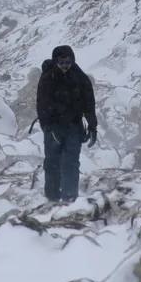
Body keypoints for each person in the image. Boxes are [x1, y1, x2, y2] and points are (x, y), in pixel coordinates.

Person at [36, 45, 97, 203]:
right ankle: (52, 198)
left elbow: (89, 104)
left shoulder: (80, 78)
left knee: (71, 163)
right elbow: (42, 106)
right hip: (54, 127)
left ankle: (70, 199)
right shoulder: (48, 79)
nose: (65, 65)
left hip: (74, 127)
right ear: (55, 61)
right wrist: (48, 129)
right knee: (52, 163)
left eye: (68, 61)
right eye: (61, 62)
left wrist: (92, 126)